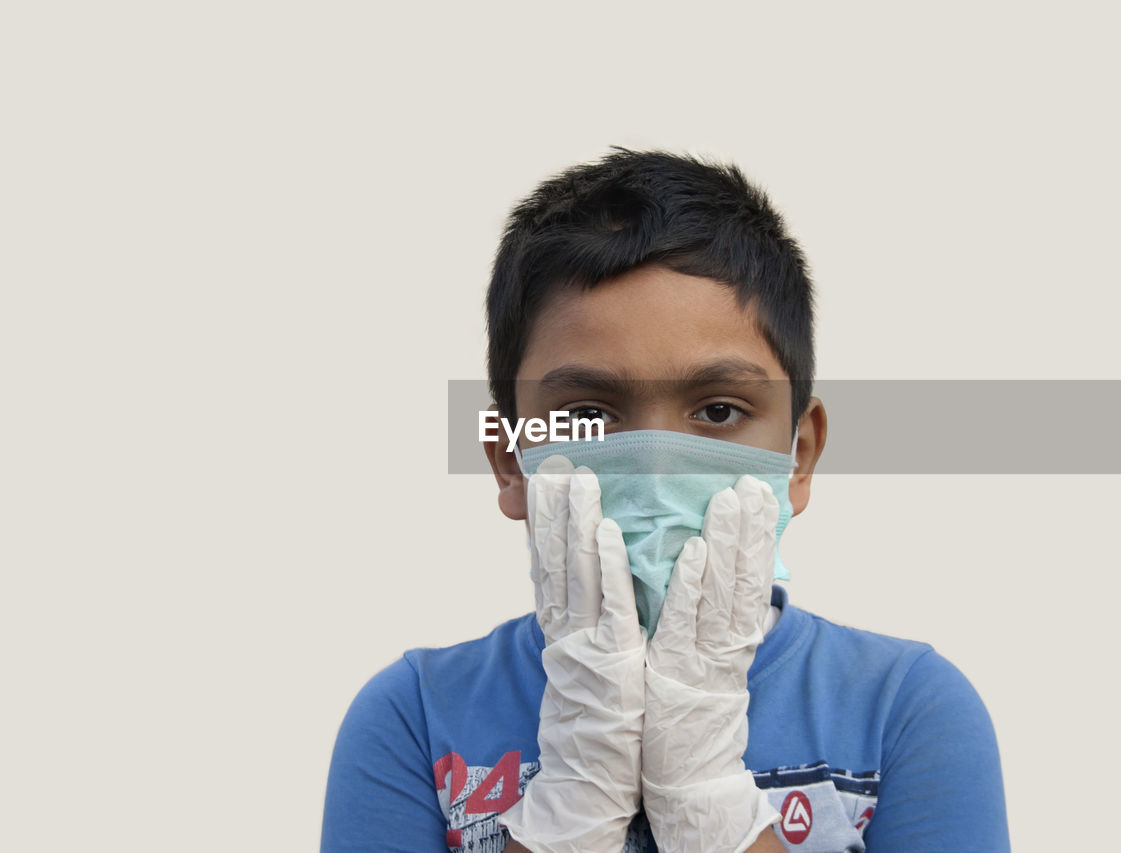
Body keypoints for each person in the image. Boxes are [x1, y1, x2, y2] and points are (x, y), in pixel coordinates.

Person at [321, 149, 1010, 852]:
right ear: (510, 459)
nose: (654, 467)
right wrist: (574, 800)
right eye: (589, 414)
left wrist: (708, 794)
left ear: (798, 455)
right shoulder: (413, 715)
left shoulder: (907, 708)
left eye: (717, 410)